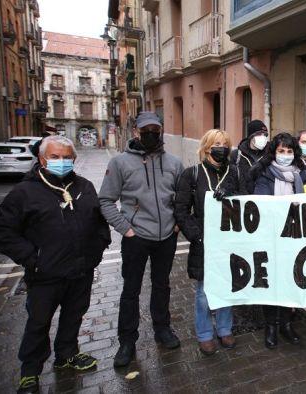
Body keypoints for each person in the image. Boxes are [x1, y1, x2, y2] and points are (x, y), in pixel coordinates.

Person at [0, 136, 111, 393]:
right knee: (38, 323)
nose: (62, 161)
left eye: (67, 156)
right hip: (45, 275)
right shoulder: (25, 192)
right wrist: (34, 259)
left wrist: (96, 252)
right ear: (42, 159)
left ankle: (67, 354)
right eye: (55, 157)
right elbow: (2, 232)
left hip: (80, 271)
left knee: (73, 316)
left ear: (74, 159)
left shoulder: (84, 186)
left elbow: (98, 221)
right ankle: (30, 372)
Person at [99, 112, 184, 367]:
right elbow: (105, 200)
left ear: (161, 131)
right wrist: (126, 229)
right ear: (136, 131)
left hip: (166, 236)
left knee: (162, 285)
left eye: (155, 130)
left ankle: (162, 329)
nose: (150, 134)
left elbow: (181, 198)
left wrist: (177, 223)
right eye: (145, 129)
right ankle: (127, 341)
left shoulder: (174, 163)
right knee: (131, 290)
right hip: (135, 237)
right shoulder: (120, 163)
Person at [174, 129, 242, 355]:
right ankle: (204, 334)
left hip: (229, 241)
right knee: (204, 292)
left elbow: (247, 200)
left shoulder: (235, 173)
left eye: (225, 144)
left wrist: (231, 191)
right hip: (203, 243)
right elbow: (181, 210)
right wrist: (196, 235)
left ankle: (224, 329)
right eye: (216, 144)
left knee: (226, 287)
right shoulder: (191, 174)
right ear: (206, 147)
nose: (221, 148)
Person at [252, 132, 306, 349]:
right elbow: (260, 203)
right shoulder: (265, 173)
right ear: (274, 152)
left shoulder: (301, 174)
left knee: (289, 280)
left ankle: (286, 324)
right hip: (271, 237)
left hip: (294, 236)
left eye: (289, 151)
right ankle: (271, 326)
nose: (285, 155)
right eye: (281, 151)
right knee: (271, 281)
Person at [229, 119, 269, 194]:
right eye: (259, 134)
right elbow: (230, 179)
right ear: (251, 136)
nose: (263, 137)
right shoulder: (236, 155)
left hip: (263, 200)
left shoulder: (269, 154)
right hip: (243, 201)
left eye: (265, 134)